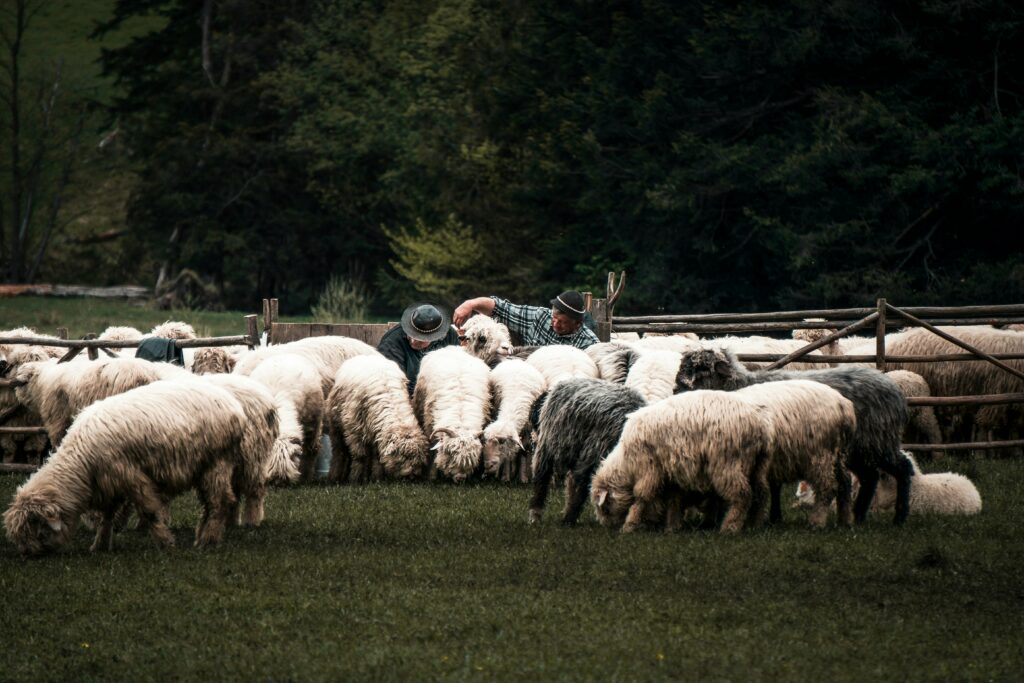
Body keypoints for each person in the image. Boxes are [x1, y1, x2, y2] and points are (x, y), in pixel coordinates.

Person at [452, 289, 599, 349]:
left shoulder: (590, 343)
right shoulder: (541, 317)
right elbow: (501, 309)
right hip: (529, 383)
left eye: (563, 322)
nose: (555, 323)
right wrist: (470, 304)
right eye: (554, 318)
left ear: (578, 323)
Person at [377, 302, 460, 394]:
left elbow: (457, 371)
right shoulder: (391, 343)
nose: (412, 341)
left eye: (420, 339)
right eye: (411, 333)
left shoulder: (450, 336)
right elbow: (390, 383)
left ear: (435, 337)